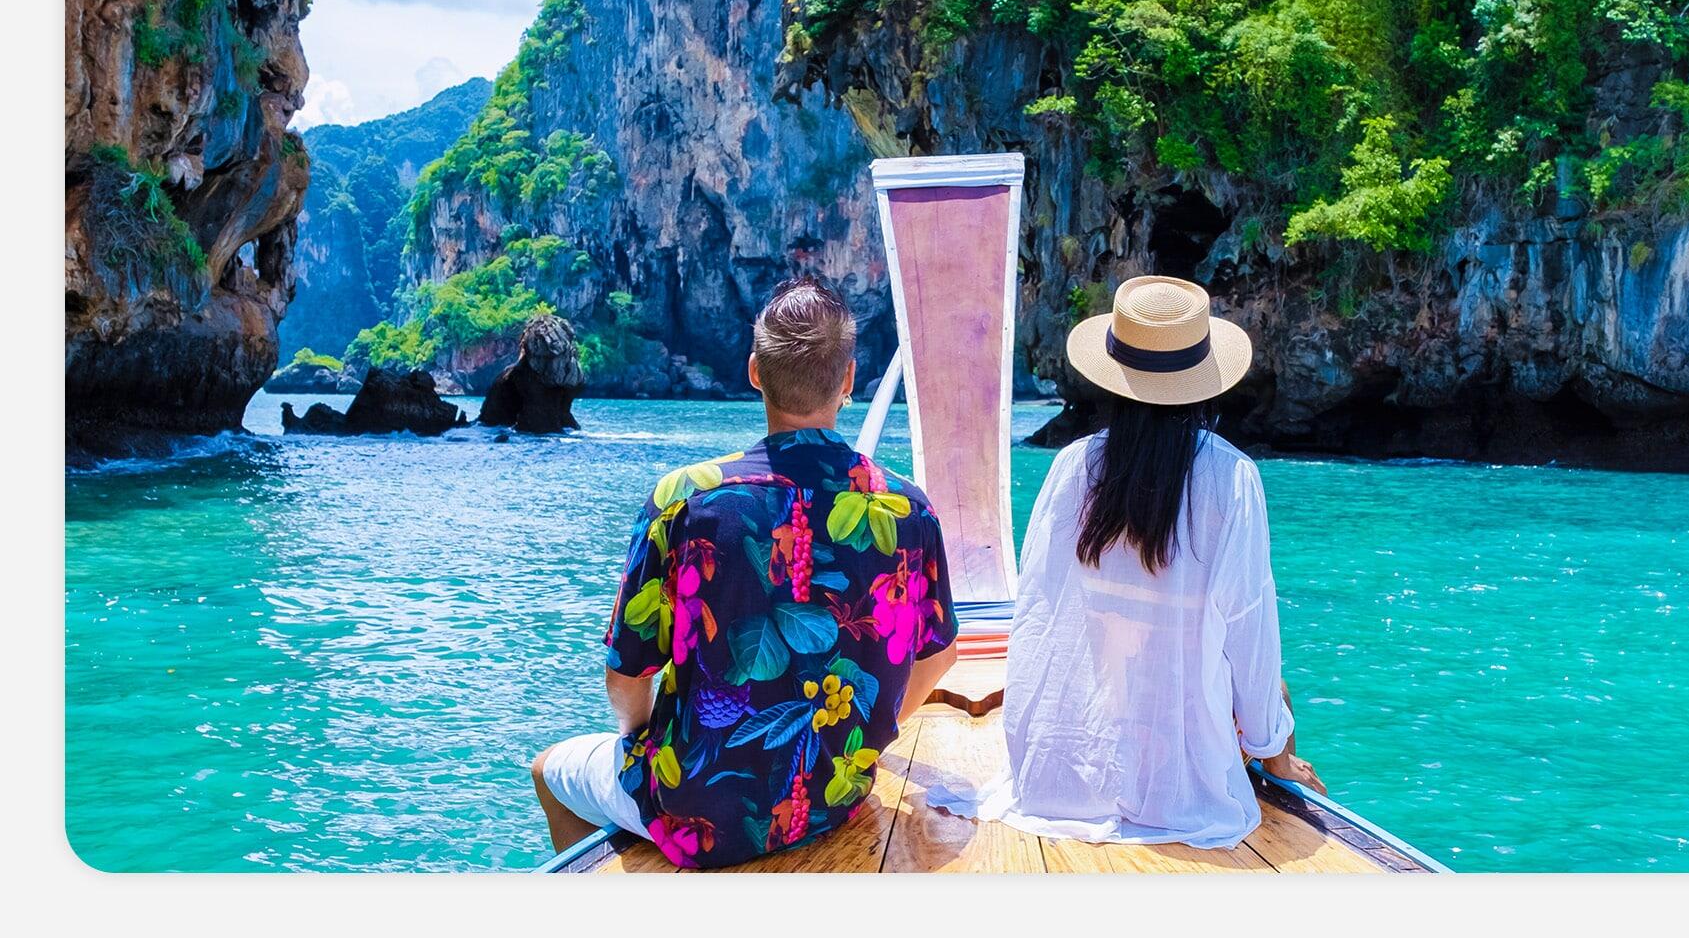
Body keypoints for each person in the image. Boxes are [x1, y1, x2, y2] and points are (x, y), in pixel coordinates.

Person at [533, 276, 959, 868]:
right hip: (836, 796)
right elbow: (939, 656)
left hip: (698, 814)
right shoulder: (907, 508)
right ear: (848, 379)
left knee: (548, 769)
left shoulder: (684, 499)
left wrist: (636, 743)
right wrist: (862, 748)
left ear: (755, 371)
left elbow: (627, 677)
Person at [935, 274, 1321, 848]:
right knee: (1279, 692)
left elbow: (1037, 620)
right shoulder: (1232, 479)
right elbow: (1250, 631)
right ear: (1202, 383)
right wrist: (1273, 750)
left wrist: (1032, 753)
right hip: (1185, 794)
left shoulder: (1072, 468)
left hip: (1062, 777)